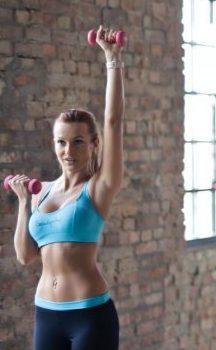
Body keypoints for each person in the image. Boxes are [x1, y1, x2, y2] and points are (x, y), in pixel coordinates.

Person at [9, 26, 125, 349]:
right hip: (46, 313)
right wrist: (22, 203)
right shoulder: (40, 192)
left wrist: (112, 60)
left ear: (93, 144)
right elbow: (25, 256)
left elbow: (113, 121)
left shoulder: (100, 188)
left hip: (90, 315)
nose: (68, 151)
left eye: (77, 142)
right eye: (61, 142)